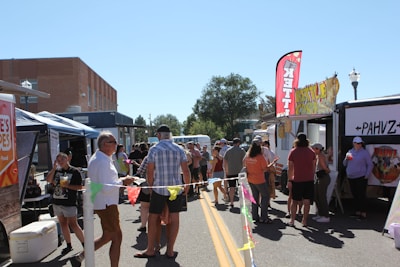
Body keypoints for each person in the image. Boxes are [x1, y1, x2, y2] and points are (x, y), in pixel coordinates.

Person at [70, 131, 134, 267]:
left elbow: (105, 182)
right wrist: (123, 182)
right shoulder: (102, 161)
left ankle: (80, 256)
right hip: (106, 203)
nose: (116, 145)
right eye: (114, 142)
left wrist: (121, 180)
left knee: (108, 235)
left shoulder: (99, 158)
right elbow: (107, 187)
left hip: (102, 202)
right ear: (105, 144)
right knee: (116, 236)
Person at [134, 124, 190, 259]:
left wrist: (152, 187)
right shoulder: (179, 149)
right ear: (169, 135)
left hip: (159, 188)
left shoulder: (154, 149)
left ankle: (150, 249)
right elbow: (185, 170)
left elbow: (150, 171)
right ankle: (170, 250)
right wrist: (187, 186)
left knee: (153, 218)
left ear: (159, 135)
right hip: (175, 189)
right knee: (174, 218)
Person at [46, 152, 85, 255]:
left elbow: (80, 187)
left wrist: (68, 186)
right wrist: (54, 168)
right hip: (57, 201)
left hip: (69, 202)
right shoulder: (57, 171)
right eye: (58, 161)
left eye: (62, 160)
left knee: (73, 224)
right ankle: (68, 245)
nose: (60, 162)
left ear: (67, 159)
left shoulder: (75, 171)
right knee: (63, 223)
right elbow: (49, 180)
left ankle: (85, 244)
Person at [243, 138, 278, 223]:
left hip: (251, 179)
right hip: (259, 179)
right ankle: (264, 217)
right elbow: (265, 169)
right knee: (265, 196)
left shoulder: (248, 156)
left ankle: (255, 216)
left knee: (255, 198)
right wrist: (272, 163)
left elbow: (244, 165)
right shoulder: (260, 157)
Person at [287, 133, 316, 227]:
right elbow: (314, 166)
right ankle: (304, 220)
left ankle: (292, 220)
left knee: (295, 201)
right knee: (307, 201)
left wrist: (289, 180)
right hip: (309, 179)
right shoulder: (311, 152)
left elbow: (290, 168)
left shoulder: (293, 151)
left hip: (297, 179)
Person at [343, 136, 373, 220]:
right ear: (354, 143)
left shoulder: (364, 153)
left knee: (361, 195)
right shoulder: (350, 151)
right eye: (357, 143)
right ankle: (357, 211)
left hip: (361, 176)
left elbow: (370, 164)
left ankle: (363, 213)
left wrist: (366, 175)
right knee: (354, 194)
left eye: (360, 143)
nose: (359, 145)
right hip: (351, 176)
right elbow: (344, 164)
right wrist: (346, 158)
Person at [223, 138, 246, 208]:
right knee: (241, 187)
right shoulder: (242, 151)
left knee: (232, 187)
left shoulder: (228, 151)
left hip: (230, 172)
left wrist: (226, 170)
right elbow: (244, 161)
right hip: (240, 171)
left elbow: (225, 161)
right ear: (238, 143)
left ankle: (232, 202)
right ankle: (243, 202)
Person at [311, 143, 331, 223]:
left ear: (317, 149)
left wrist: (325, 171)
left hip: (323, 177)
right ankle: (320, 213)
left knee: (322, 196)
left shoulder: (321, 156)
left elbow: (324, 167)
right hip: (320, 177)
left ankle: (325, 215)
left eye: (313, 148)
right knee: (317, 196)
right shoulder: (318, 155)